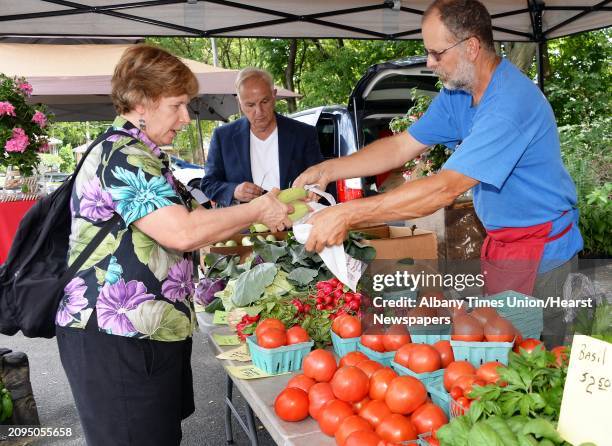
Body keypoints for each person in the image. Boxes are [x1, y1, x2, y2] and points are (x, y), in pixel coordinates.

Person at [294, 0, 583, 348]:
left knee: (540, 361)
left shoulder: (510, 103)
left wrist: (347, 213)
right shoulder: (459, 94)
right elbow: (402, 146)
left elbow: (444, 189)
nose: (430, 62)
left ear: (472, 47)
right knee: (501, 352)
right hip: (504, 248)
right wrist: (329, 168)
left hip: (544, 255)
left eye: (436, 53)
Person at [55, 45, 292, 446]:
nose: (186, 118)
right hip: (118, 338)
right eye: (178, 105)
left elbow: (195, 222)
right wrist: (257, 211)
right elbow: (181, 232)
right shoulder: (123, 155)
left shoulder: (145, 154)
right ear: (142, 102)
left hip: (146, 334)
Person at [200, 67, 324, 206]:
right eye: (250, 105)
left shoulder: (303, 134)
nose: (259, 112)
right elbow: (208, 183)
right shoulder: (223, 137)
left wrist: (312, 192)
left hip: (295, 221)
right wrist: (234, 190)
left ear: (274, 95)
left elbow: (321, 178)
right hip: (245, 224)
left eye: (264, 102)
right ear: (239, 103)